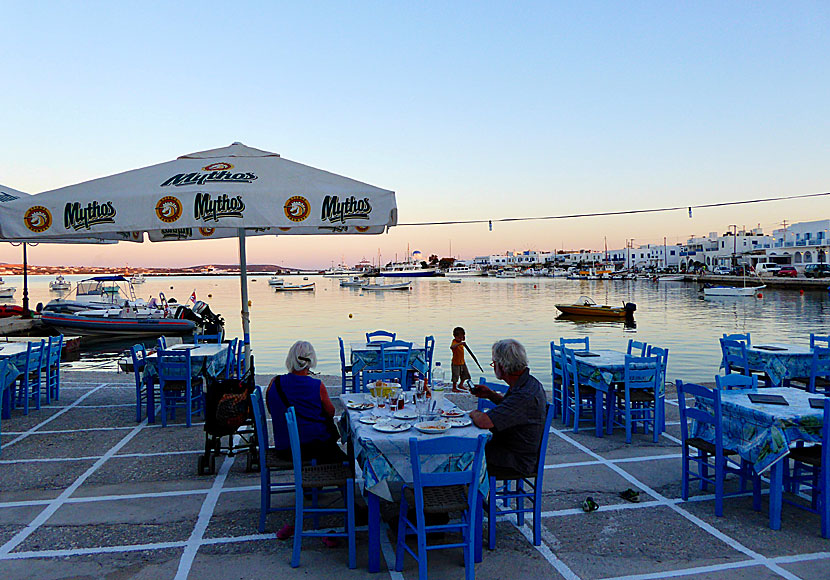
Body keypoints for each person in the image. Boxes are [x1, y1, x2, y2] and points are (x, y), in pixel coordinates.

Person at [469, 339, 547, 478]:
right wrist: (491, 395)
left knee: (463, 457)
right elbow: (512, 408)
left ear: (502, 366)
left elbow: (484, 422)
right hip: (511, 448)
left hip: (515, 461)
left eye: (494, 363)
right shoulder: (528, 383)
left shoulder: (525, 394)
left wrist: (473, 413)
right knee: (466, 453)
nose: (493, 367)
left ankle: (472, 497)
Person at [266, 340, 347, 465]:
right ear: (311, 360)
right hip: (313, 448)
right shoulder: (317, 386)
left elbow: (271, 410)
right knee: (346, 462)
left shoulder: (275, 383)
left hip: (284, 448)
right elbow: (330, 412)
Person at [450, 326, 472, 392]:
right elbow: (452, 347)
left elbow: (462, 340)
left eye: (462, 337)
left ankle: (461, 384)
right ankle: (454, 387)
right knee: (455, 375)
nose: (461, 339)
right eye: (459, 337)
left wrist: (462, 339)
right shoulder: (454, 342)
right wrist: (460, 343)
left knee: (466, 374)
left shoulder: (461, 342)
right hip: (456, 363)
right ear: (455, 336)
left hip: (462, 362)